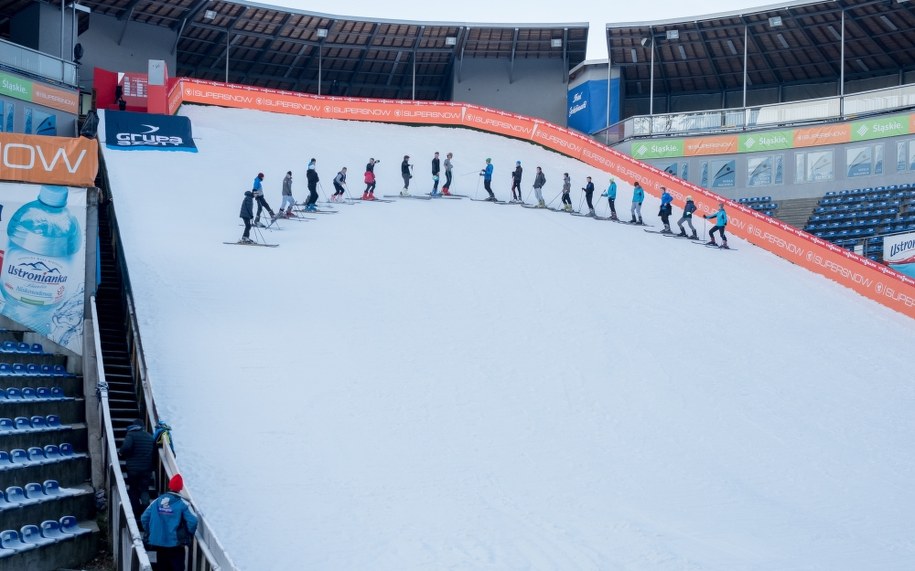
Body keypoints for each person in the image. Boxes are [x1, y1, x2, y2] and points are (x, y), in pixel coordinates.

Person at [142, 474, 199, 571]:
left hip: (158, 542)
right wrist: (187, 533)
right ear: (180, 488)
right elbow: (193, 521)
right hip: (175, 544)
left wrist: (151, 531)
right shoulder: (183, 503)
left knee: (162, 568)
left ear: (170, 486)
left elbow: (144, 518)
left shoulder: (157, 501)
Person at [119, 419, 156, 518]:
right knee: (144, 490)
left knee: (133, 490)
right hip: (146, 470)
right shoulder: (150, 437)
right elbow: (154, 454)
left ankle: (135, 512)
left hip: (133, 470)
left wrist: (121, 452)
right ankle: (146, 510)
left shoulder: (131, 435)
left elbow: (126, 447)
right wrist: (152, 467)